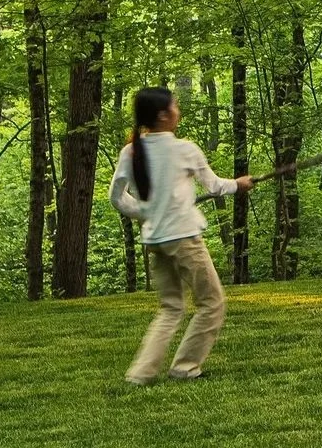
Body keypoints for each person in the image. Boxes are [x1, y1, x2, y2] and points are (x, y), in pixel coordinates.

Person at [108, 86, 254, 385]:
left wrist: (145, 211)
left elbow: (117, 197)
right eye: (175, 106)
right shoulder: (184, 149)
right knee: (212, 303)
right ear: (163, 115)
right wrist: (239, 184)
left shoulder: (130, 151)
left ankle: (141, 373)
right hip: (184, 239)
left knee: (171, 308)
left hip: (155, 240)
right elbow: (215, 186)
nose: (179, 111)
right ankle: (185, 368)